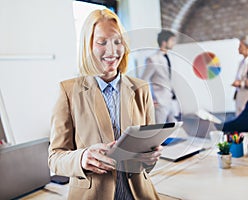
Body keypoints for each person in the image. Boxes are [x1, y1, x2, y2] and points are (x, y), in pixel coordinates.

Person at [48, 9, 161, 200]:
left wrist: (151, 158)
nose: (112, 50)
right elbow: (55, 158)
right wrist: (82, 157)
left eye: (118, 41)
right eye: (102, 42)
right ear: (87, 46)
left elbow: (147, 160)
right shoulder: (68, 91)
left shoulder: (140, 89)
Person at [141, 30, 179, 123]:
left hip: (171, 100)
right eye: (172, 40)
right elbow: (143, 80)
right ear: (164, 42)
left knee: (174, 128)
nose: (174, 43)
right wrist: (151, 99)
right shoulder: (153, 59)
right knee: (159, 130)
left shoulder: (170, 57)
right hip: (159, 101)